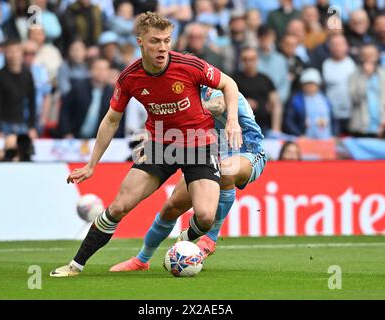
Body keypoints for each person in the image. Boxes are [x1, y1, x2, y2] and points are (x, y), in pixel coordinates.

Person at [50, 12, 242, 277]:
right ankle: (76, 265)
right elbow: (111, 120)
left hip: (200, 144)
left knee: (206, 217)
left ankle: (182, 243)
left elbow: (228, 84)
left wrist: (232, 120)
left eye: (166, 40)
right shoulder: (130, 77)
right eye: (155, 41)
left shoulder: (189, 65)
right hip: (160, 144)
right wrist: (92, 164)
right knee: (118, 206)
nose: (162, 47)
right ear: (140, 42)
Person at [109, 86, 267, 271]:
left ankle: (210, 239)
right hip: (207, 156)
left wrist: (188, 110)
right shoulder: (175, 95)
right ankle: (141, 260)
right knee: (171, 208)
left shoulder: (209, 87)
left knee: (226, 170)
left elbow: (219, 104)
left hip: (248, 151)